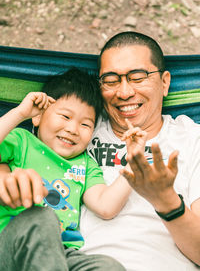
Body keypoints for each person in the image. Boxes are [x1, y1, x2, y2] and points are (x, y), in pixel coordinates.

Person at [0, 67, 146, 271]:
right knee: (40, 218)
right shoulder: (22, 141)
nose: (73, 129)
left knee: (108, 266)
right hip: (12, 241)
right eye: (65, 117)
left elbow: (106, 206)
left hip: (63, 254)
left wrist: (134, 161)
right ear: (38, 117)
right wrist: (20, 113)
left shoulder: (86, 164)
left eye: (85, 125)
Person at [78, 31, 200, 271]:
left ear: (164, 82)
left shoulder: (192, 139)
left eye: (137, 77)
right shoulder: (77, 131)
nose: (124, 93)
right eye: (111, 80)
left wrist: (166, 201)